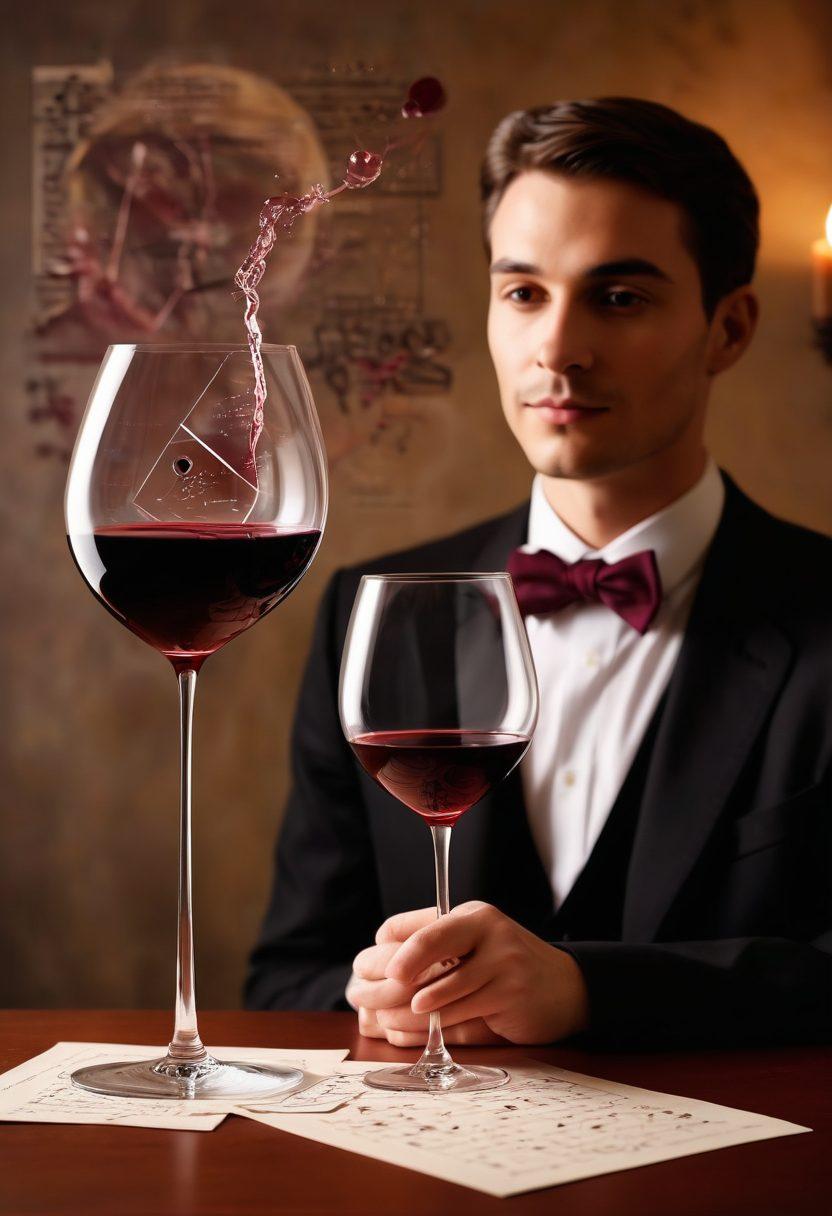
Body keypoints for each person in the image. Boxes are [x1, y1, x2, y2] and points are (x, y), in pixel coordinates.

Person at [245, 97, 832, 1048]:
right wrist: (374, 1002)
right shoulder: (369, 611)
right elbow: (284, 978)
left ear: (729, 330)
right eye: (523, 293)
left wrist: (590, 990)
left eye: (619, 297)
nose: (557, 350)